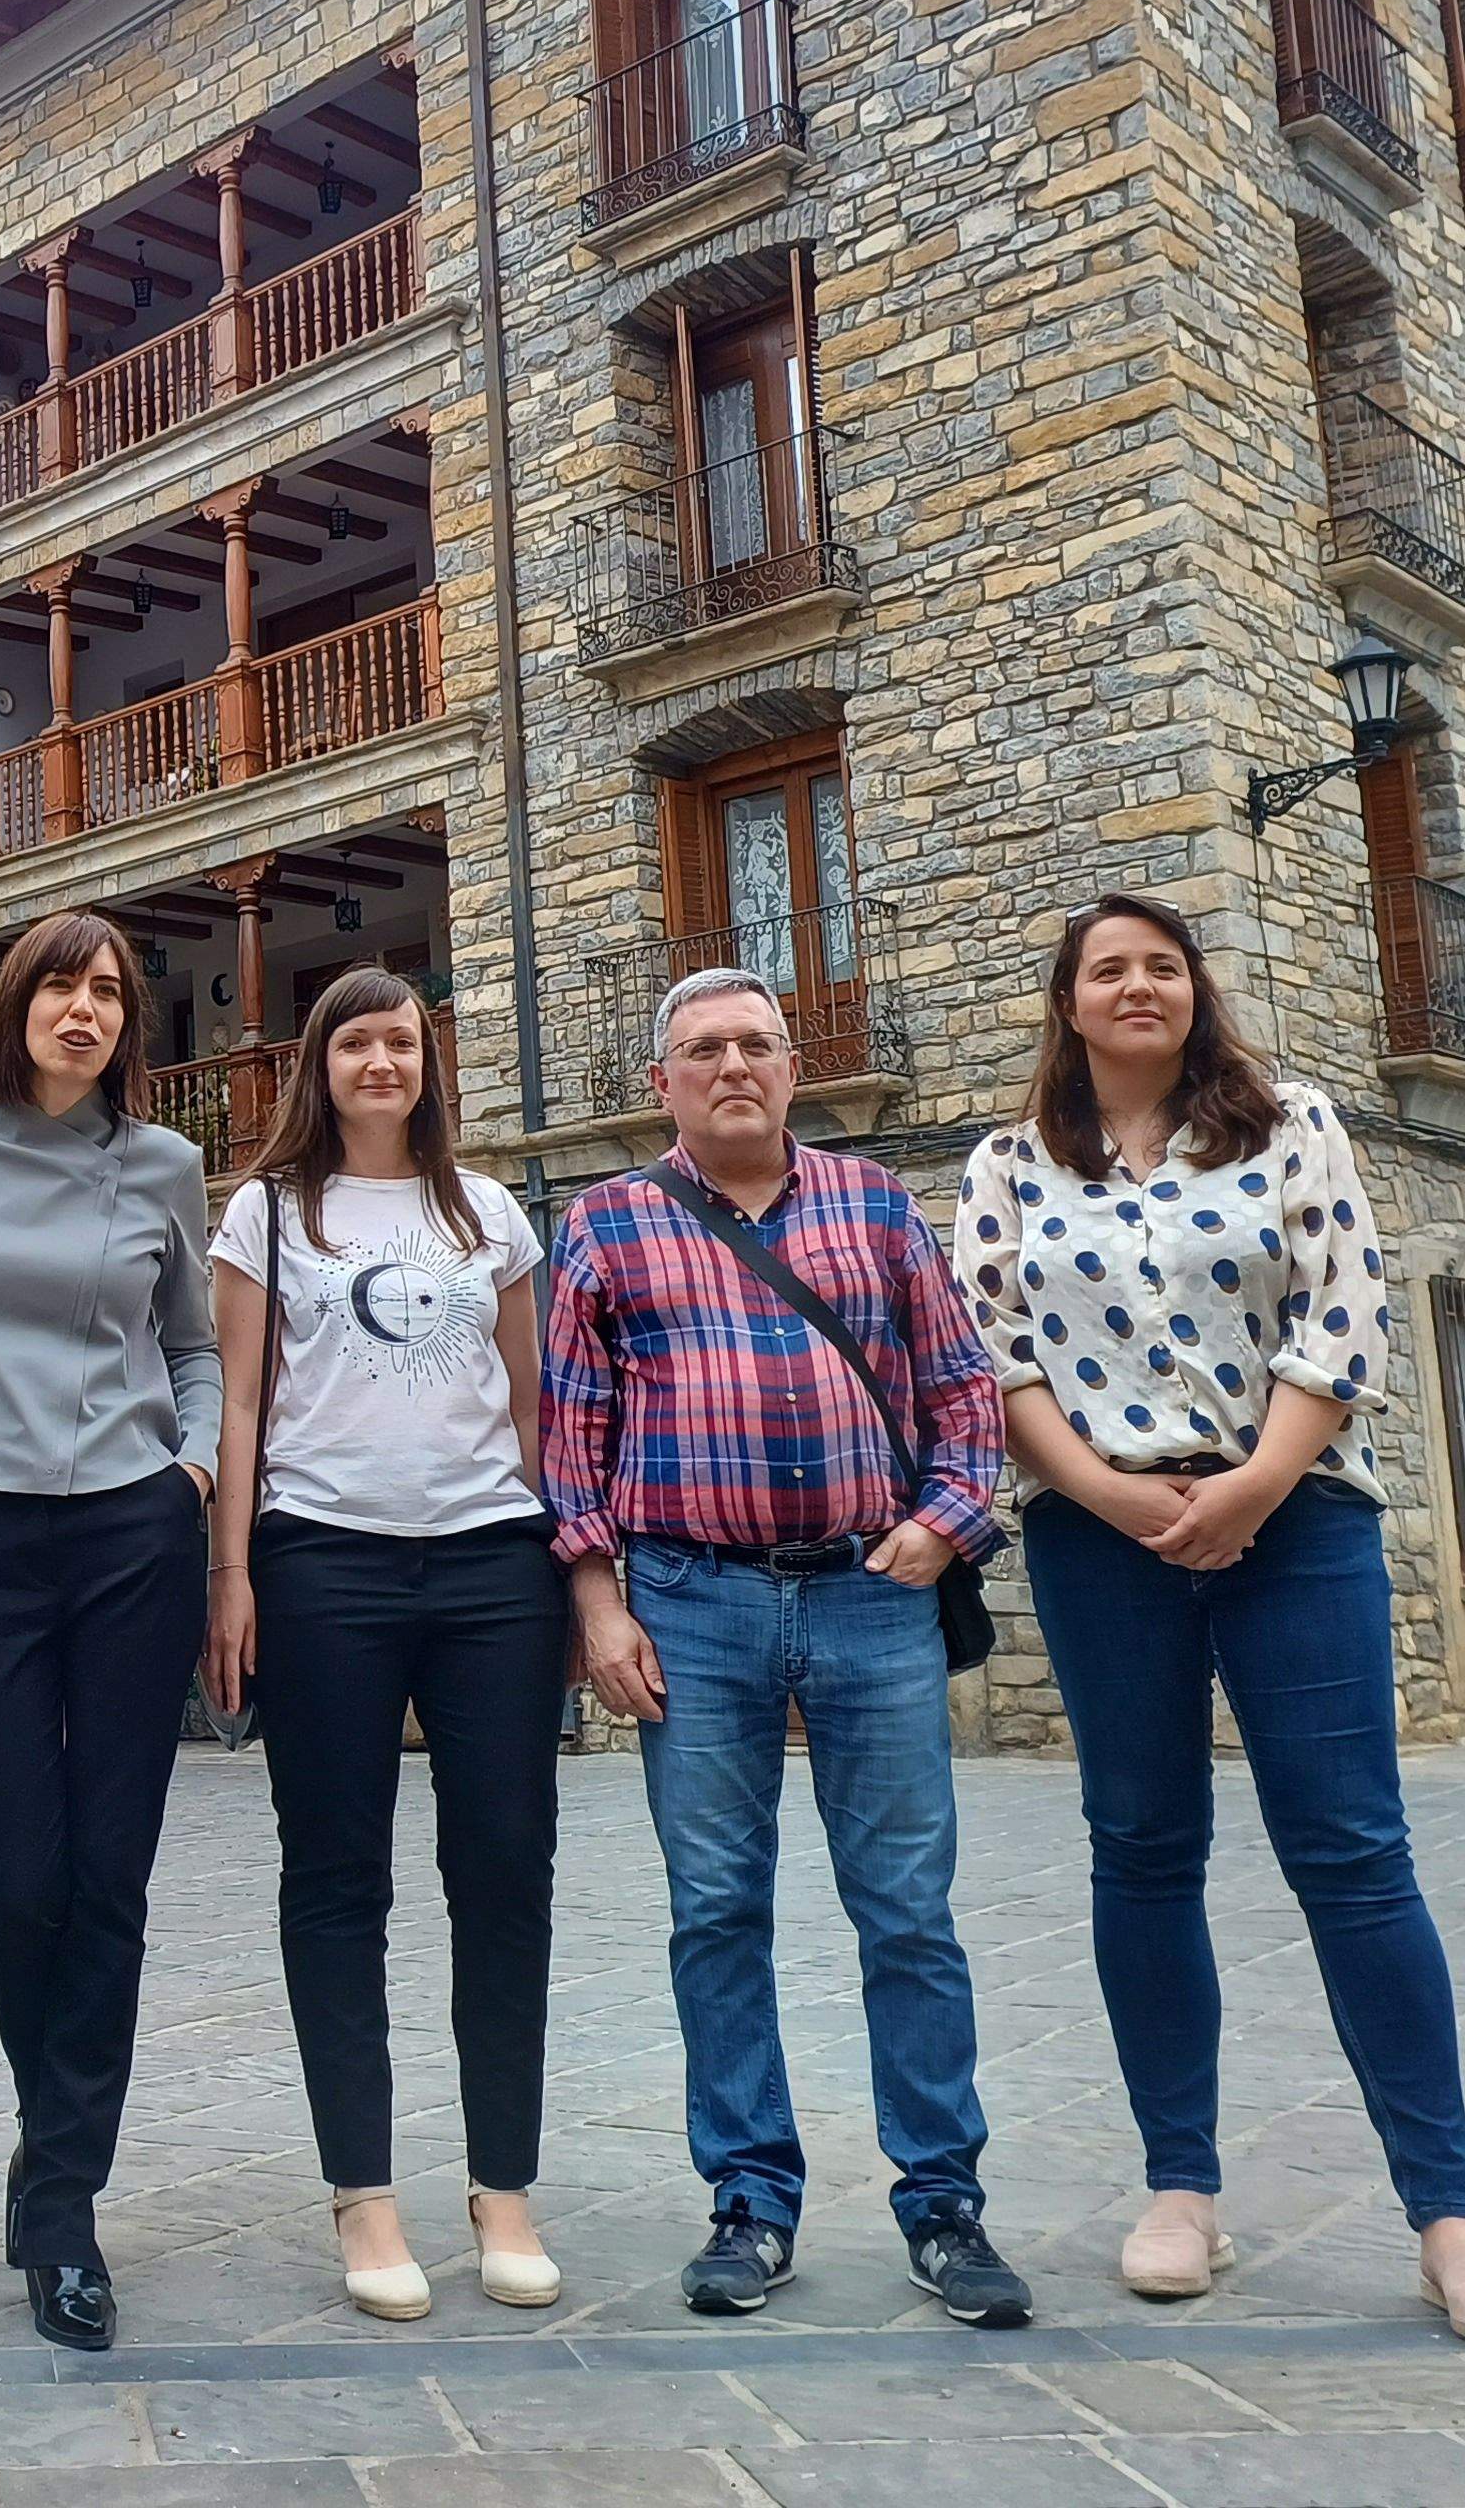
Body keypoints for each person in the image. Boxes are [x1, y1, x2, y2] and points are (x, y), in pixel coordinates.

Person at [958, 893, 1465, 2349]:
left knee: (1352, 1853)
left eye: (1162, 964)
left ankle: (1450, 2222)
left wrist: (1256, 1484)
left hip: (1299, 1526)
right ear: (1068, 1002)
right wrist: (1109, 1497)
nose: (1137, 985)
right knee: (1143, 1852)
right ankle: (1182, 2189)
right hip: (1105, 1541)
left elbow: (1342, 1314)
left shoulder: (1294, 1129)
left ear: (1194, 992)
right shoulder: (1006, 1169)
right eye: (1107, 968)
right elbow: (994, 1356)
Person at [541, 962, 1030, 2329]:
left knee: (909, 1915)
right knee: (715, 1913)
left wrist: (941, 1526)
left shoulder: (877, 1206)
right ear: (665, 1085)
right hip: (690, 1607)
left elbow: (959, 1386)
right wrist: (597, 1607)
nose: (734, 1065)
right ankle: (750, 2201)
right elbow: (568, 1439)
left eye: (757, 1043)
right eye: (705, 1049)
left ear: (791, 1069)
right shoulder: (606, 1226)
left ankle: (946, 2204)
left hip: (873, 1597)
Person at [202, 972, 564, 2323]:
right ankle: (364, 2196)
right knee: (338, 1881)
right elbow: (238, 1402)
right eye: (353, 1039)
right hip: (323, 1566)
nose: (379, 1059)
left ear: (428, 1060)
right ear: (319, 1064)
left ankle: (504, 2192)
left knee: (506, 1875)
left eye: (400, 1039)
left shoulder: (491, 1211)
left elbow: (533, 1402)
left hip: (490, 1571)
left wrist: (564, 1563)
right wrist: (230, 1574)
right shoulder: (268, 1213)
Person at [0, 908, 220, 2353]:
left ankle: (63, 2197)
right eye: (59, 988)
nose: (81, 1011)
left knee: (114, 1875)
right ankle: (55, 2134)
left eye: (107, 994)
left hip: (130, 1535)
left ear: (123, 1026)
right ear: (9, 1007)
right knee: (19, 1869)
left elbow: (197, 1342)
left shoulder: (165, 1168)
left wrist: (194, 1466)